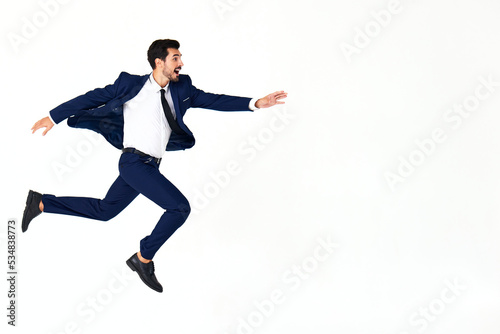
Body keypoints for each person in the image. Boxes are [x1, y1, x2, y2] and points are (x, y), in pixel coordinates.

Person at [22, 39, 287, 292]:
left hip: (150, 165)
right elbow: (92, 97)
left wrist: (255, 103)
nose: (181, 62)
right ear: (159, 62)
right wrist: (53, 117)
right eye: (176, 57)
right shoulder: (130, 85)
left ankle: (42, 203)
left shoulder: (182, 89)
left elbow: (214, 100)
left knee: (105, 210)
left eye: (180, 57)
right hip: (134, 162)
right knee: (179, 207)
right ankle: (143, 258)